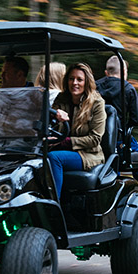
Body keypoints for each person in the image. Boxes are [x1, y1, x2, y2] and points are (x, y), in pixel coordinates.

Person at [47, 63, 106, 199]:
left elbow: (95, 139)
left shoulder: (96, 103)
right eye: (71, 79)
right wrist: (55, 115)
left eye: (79, 79)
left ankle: (53, 207)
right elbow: (50, 125)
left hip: (88, 154)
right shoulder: (61, 99)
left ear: (86, 82)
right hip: (62, 149)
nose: (75, 83)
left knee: (54, 158)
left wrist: (64, 143)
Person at [96, 54, 138, 193]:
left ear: (107, 73)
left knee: (111, 159)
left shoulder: (95, 86)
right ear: (124, 72)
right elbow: (137, 118)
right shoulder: (128, 88)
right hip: (120, 138)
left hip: (97, 137)